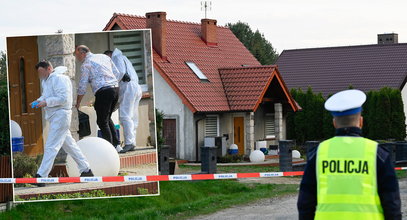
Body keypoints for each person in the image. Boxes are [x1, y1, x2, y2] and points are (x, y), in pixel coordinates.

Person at [297, 89, 401, 219]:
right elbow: (392, 204)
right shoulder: (377, 153)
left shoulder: (319, 153)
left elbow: (305, 203)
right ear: (361, 122)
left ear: (334, 123)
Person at [32, 60, 93, 187]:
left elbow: (63, 98)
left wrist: (46, 102)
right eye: (39, 73)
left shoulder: (61, 79)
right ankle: (86, 170)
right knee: (70, 146)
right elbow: (46, 95)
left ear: (49, 68)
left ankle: (41, 176)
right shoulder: (46, 81)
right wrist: (38, 101)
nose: (40, 75)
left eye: (41, 72)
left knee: (51, 145)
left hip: (61, 115)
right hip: (55, 116)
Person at [74, 45, 123, 152]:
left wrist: (78, 103)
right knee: (107, 118)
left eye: (76, 54)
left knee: (102, 122)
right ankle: (117, 145)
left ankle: (109, 150)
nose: (76, 57)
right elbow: (117, 73)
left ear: (82, 53)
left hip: (104, 91)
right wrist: (112, 83)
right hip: (115, 89)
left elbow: (82, 86)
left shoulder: (86, 64)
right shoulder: (103, 57)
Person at [104, 49, 143, 153]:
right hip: (136, 87)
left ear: (109, 55)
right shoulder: (124, 58)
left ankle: (129, 143)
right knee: (133, 117)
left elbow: (120, 72)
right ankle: (132, 141)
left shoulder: (116, 57)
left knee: (125, 116)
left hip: (128, 87)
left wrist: (111, 83)